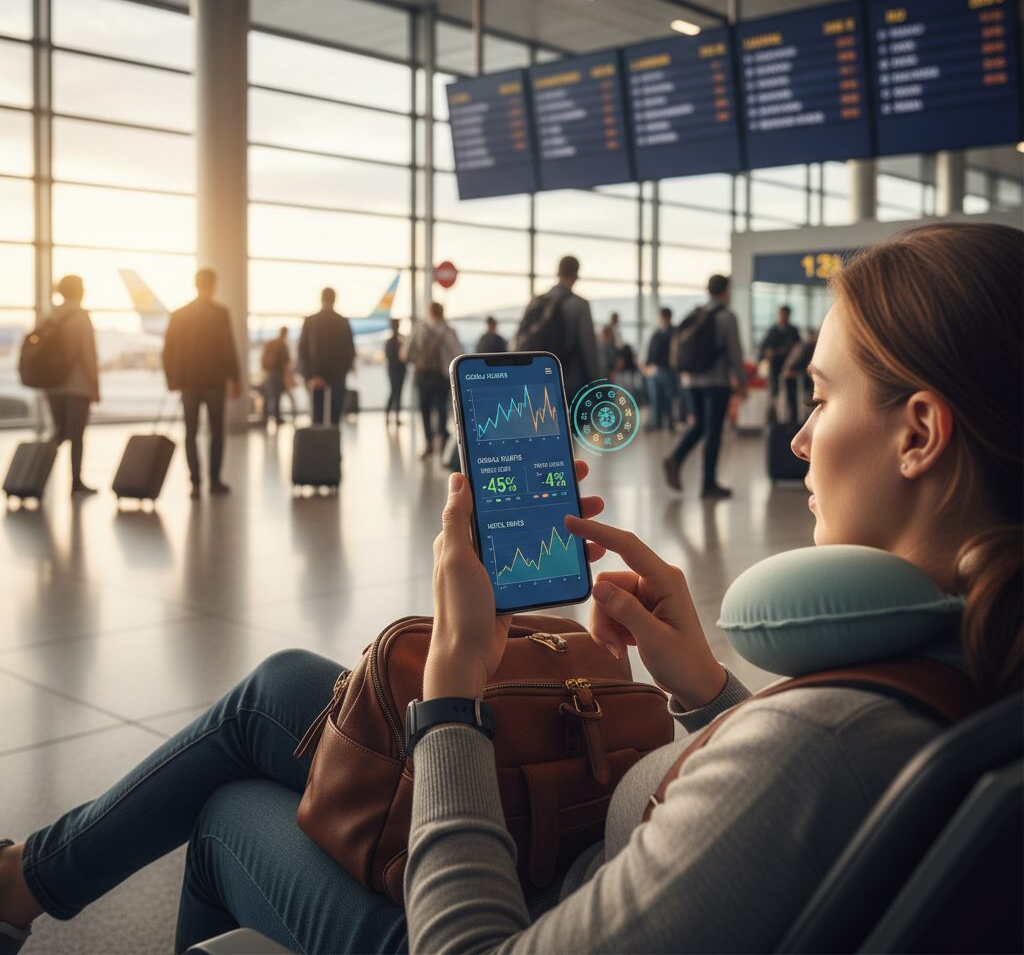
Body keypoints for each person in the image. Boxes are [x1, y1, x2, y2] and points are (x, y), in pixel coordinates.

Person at [1, 223, 1020, 955]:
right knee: (277, 690)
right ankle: (21, 880)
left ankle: (21, 886)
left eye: (822, 397)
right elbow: (793, 821)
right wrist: (708, 692)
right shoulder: (965, 664)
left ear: (918, 433)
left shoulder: (824, 740)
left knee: (229, 810)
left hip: (513, 910)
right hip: (589, 852)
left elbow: (796, 779)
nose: (797, 438)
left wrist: (452, 694)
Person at [663, 273, 747, 498]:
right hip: (716, 382)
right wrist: (742, 383)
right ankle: (708, 483)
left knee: (699, 425)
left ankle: (676, 457)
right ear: (725, 291)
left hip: (691, 381)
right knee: (713, 432)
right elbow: (735, 353)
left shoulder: (696, 313)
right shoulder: (727, 317)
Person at [163, 268, 241, 500]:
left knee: (191, 432)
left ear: (195, 284)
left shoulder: (180, 314)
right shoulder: (219, 313)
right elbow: (228, 347)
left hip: (188, 383)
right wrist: (235, 378)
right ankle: (215, 480)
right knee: (217, 432)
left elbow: (168, 349)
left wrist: (171, 379)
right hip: (214, 382)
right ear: (214, 284)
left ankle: (195, 482)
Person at [515, 256, 600, 403]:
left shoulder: (537, 301)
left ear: (558, 272)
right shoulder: (579, 305)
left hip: (539, 380)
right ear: (576, 276)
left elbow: (520, 338)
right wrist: (597, 385)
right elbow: (588, 350)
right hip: (570, 382)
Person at [44, 275, 99, 496]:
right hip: (77, 385)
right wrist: (94, 387)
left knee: (59, 432)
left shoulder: (51, 315)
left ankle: (37, 472)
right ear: (79, 291)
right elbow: (88, 355)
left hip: (52, 385)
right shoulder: (80, 317)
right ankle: (76, 481)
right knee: (76, 435)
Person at [405, 301, 461, 459]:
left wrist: (418, 360)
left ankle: (429, 443)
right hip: (441, 376)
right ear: (442, 313)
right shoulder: (448, 331)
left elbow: (407, 353)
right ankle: (442, 441)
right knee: (441, 408)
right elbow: (457, 353)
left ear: (429, 312)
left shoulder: (420, 329)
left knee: (425, 410)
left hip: (422, 374)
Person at [298, 288, 356, 428]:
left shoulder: (310, 321)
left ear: (321, 299)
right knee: (334, 421)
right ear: (335, 299)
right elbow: (349, 352)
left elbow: (302, 352)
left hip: (316, 380)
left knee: (317, 421)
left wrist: (311, 376)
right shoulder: (342, 322)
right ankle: (333, 442)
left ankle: (318, 443)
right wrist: (337, 377)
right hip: (336, 380)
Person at [759, 305, 801, 424]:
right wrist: (768, 353)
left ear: (788, 316)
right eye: (780, 314)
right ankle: (773, 422)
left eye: (784, 315)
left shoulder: (793, 331)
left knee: (791, 395)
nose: (782, 317)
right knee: (774, 393)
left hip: (790, 367)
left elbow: (798, 348)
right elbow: (763, 348)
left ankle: (793, 422)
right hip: (775, 366)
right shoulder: (772, 330)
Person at [644, 307, 676, 431]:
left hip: (667, 369)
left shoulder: (673, 332)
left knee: (668, 397)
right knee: (655, 398)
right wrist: (648, 365)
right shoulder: (657, 333)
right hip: (655, 369)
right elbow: (651, 351)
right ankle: (657, 423)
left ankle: (670, 422)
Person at [782, 326, 819, 422]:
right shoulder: (810, 346)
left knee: (805, 404)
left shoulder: (804, 345)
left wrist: (793, 371)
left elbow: (799, 362)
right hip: (806, 380)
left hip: (803, 380)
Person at [260, 327, 291, 427]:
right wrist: (288, 375)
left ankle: (264, 417)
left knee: (268, 394)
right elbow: (286, 361)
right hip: (278, 373)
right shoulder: (282, 345)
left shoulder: (272, 342)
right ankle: (277, 417)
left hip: (269, 372)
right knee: (277, 395)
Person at [384, 318, 407, 429]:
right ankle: (388, 416)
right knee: (394, 393)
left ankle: (395, 417)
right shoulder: (392, 341)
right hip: (394, 370)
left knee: (398, 393)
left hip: (399, 370)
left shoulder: (400, 340)